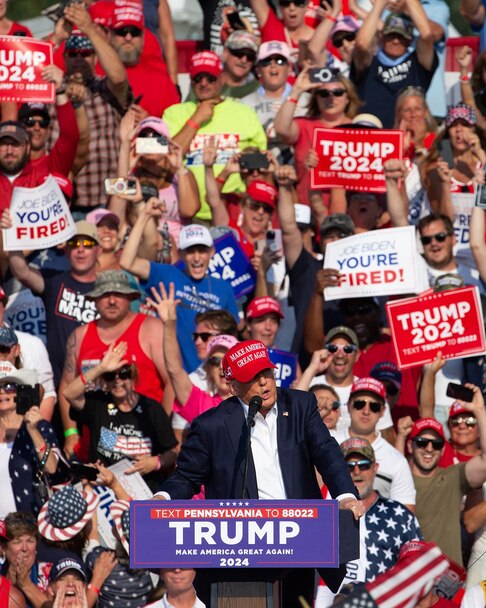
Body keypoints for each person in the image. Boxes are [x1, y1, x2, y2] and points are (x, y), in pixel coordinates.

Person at [154, 338, 365, 603]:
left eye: (266, 372)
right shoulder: (212, 425)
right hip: (241, 551)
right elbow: (187, 477)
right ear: (232, 386)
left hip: (300, 542)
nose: (264, 382)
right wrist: (161, 499)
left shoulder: (301, 406)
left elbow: (327, 453)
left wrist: (345, 496)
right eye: (253, 377)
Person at [59, 270, 172, 455]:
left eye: (118, 294)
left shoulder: (151, 328)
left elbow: (172, 382)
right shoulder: (79, 336)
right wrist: (70, 432)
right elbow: (66, 385)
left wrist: (161, 430)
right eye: (104, 295)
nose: (112, 301)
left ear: (130, 296)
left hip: (144, 444)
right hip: (98, 447)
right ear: (94, 299)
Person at [120, 214, 239, 373]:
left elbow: (233, 337)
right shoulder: (168, 274)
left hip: (213, 375)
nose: (197, 258)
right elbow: (126, 262)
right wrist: (145, 215)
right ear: (181, 254)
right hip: (175, 374)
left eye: (202, 251)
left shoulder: (224, 288)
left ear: (211, 252)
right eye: (190, 251)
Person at [315, 437, 422, 607]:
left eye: (363, 465)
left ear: (375, 468)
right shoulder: (322, 515)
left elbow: (418, 570)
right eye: (349, 466)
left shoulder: (399, 514)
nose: (357, 471)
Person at [162, 50, 266, 221]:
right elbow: (167, 159)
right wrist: (196, 119)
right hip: (187, 213)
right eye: (198, 78)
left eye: (210, 78)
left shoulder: (243, 112)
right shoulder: (173, 113)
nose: (204, 84)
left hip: (234, 212)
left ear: (222, 78)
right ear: (191, 80)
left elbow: (260, 167)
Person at [63, 341, 177, 490]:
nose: (117, 380)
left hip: (143, 488)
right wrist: (101, 368)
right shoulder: (98, 402)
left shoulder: (152, 408)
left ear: (133, 375)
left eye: (124, 374)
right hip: (104, 488)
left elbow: (173, 452)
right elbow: (69, 393)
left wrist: (156, 462)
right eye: (110, 375)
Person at [6, 221, 100, 386]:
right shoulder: (55, 281)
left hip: (97, 381)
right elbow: (21, 271)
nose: (80, 249)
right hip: (58, 383)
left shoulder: (106, 290)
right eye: (74, 243)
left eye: (87, 243)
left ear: (98, 250)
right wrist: (11, 231)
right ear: (66, 250)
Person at [60, 1, 132, 211]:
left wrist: (90, 29)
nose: (79, 58)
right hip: (63, 202)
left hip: (108, 202)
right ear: (64, 57)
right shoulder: (53, 88)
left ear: (95, 58)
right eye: (73, 54)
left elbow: (119, 78)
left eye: (86, 53)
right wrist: (56, 38)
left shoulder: (105, 87)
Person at [406, 396, 486, 566]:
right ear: (410, 446)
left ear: (442, 449)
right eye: (422, 442)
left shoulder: (453, 477)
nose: (429, 448)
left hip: (448, 581)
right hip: (409, 577)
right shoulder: (400, 481)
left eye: (435, 444)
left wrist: (479, 411)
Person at [274, 65, 361, 206]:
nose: (331, 97)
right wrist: (296, 90)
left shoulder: (359, 128)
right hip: (306, 211)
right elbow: (281, 129)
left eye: (338, 92)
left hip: (349, 213)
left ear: (348, 98)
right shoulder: (304, 126)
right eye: (323, 93)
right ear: (316, 99)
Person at [334, 376, 416, 511]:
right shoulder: (328, 442)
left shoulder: (397, 461)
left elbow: (406, 516)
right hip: (330, 528)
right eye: (359, 404)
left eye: (374, 406)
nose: (366, 411)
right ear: (348, 405)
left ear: (383, 411)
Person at [350, 3, 437, 128]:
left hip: (407, 137)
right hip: (369, 138)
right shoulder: (369, 63)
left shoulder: (417, 64)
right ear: (382, 36)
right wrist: (380, 4)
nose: (396, 41)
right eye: (391, 35)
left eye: (401, 37)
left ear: (409, 40)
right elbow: (362, 44)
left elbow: (427, 35)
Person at [0, 362, 60, 517]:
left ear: (20, 391)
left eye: (9, 386)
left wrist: (32, 430)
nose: (2, 392)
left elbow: (52, 468)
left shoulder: (40, 426)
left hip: (33, 530)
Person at [107, 1, 179, 117]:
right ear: (109, 34)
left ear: (143, 36)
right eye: (122, 32)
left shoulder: (161, 82)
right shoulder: (96, 77)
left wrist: (149, 123)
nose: (128, 37)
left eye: (134, 32)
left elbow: (168, 37)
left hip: (153, 67)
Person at [241, 41, 307, 164]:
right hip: (260, 170)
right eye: (266, 62)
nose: (273, 66)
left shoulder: (307, 101)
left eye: (280, 61)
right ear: (258, 69)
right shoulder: (244, 104)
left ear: (289, 68)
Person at [0, 512, 50, 608]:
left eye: (30, 541)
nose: (24, 548)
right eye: (17, 542)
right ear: (4, 548)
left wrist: (26, 584)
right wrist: (9, 584)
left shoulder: (51, 573)